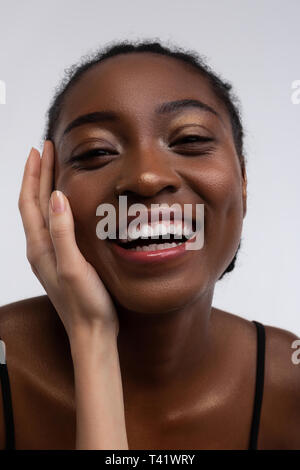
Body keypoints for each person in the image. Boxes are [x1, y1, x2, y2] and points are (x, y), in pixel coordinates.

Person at [0, 39, 299, 450]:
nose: (146, 178)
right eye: (97, 151)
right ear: (47, 198)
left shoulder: (291, 379)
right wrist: (91, 336)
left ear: (243, 184)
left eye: (191, 140)